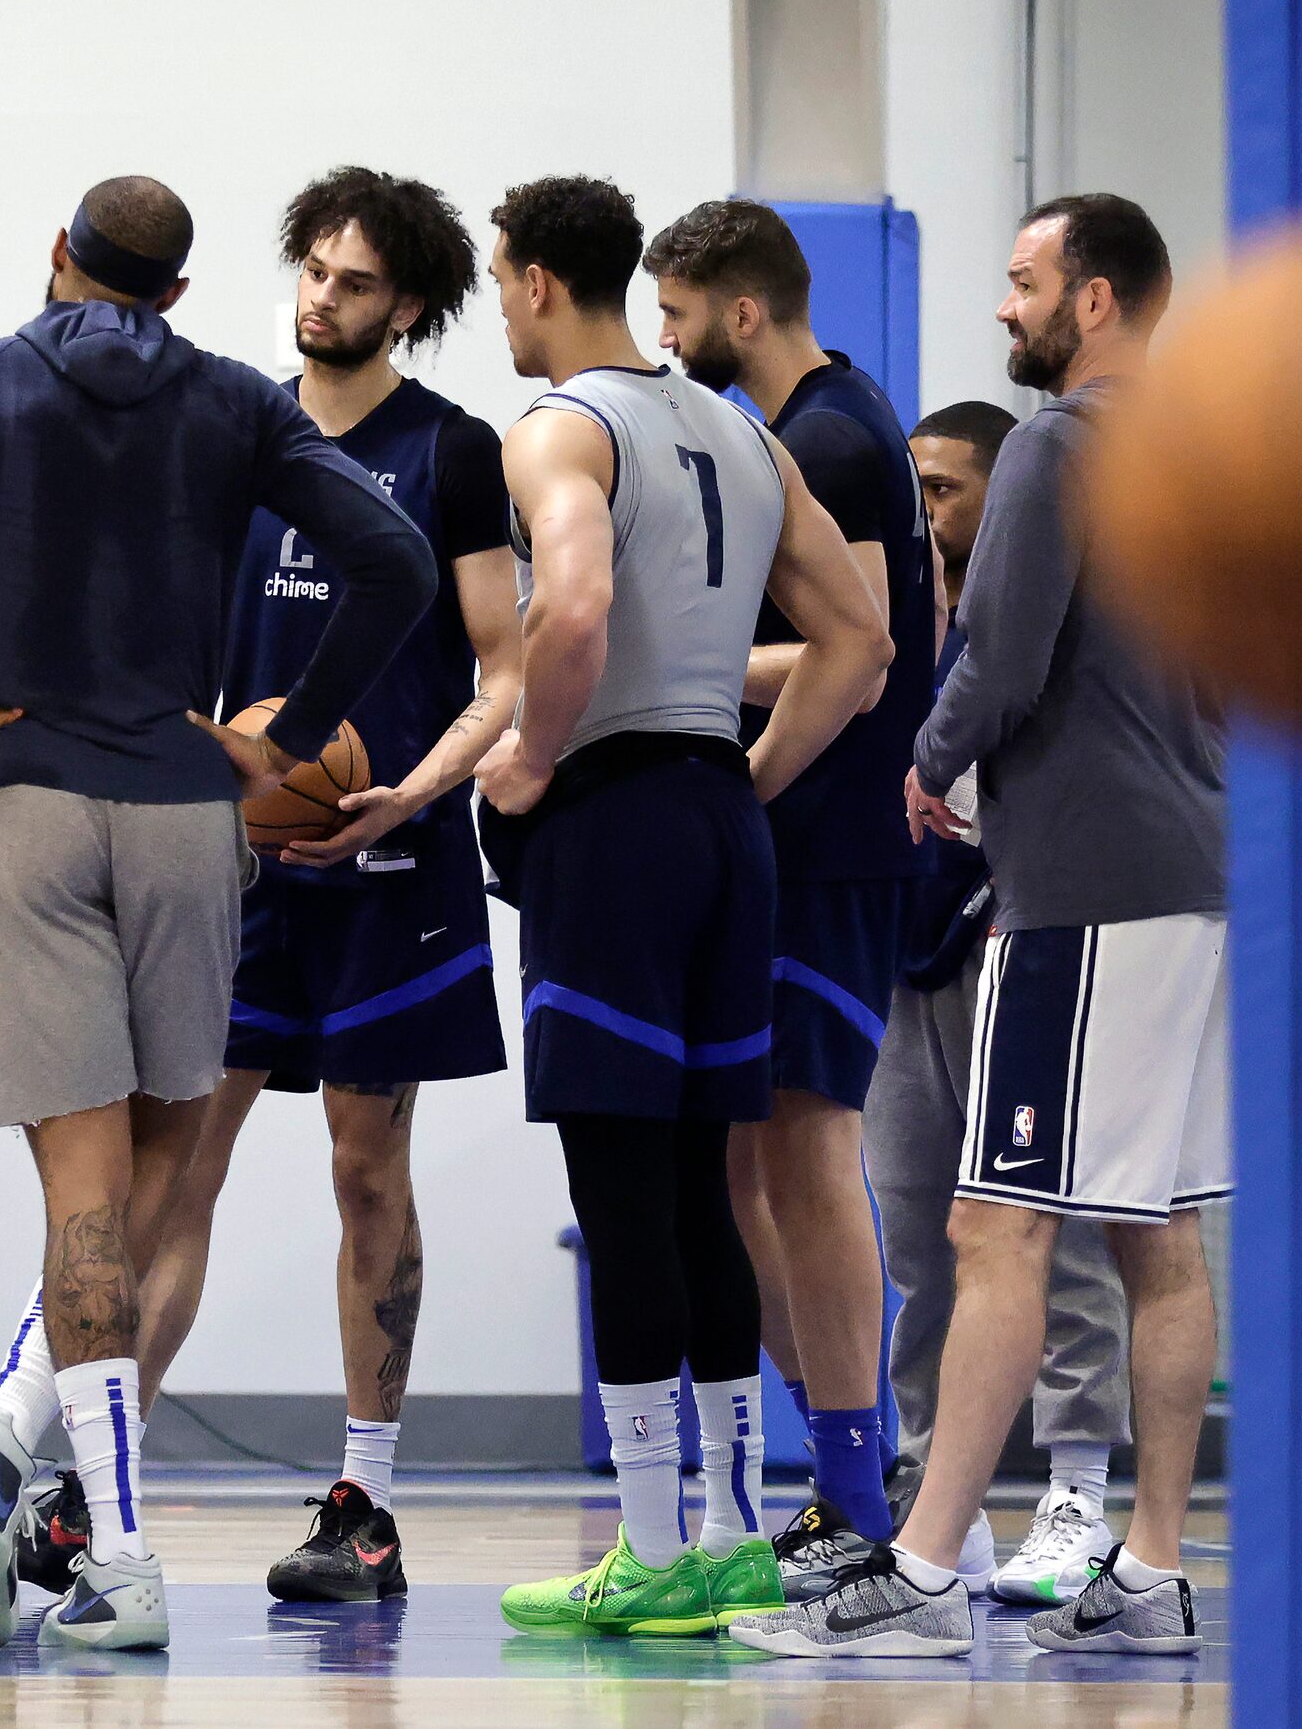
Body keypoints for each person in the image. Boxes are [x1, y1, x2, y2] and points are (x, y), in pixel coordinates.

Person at [0, 176, 437, 1654]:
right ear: (179, 295)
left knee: (81, 1195)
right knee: (155, 1171)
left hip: (28, 800)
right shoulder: (234, 404)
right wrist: (288, 731)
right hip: (187, 808)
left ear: (57, 259)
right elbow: (391, 560)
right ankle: (18, 1447)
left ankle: (108, 1549)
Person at [733, 194, 1228, 1660]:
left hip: (1082, 884)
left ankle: (926, 1568)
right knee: (1156, 1237)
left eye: (1020, 283)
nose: (1002, 310)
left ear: (1090, 299)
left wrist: (922, 757)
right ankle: (1143, 1568)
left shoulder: (1060, 448)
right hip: (1190, 872)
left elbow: (996, 651)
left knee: (987, 1223)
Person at [85, 166, 519, 1604]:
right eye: (311, 271)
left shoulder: (452, 452)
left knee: (361, 1164)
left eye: (351, 282)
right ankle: (97, 1487)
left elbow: (504, 660)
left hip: (393, 852)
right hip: (244, 862)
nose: (319, 297)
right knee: (174, 1162)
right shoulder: (231, 437)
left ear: (406, 305)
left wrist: (419, 781)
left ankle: (365, 1502)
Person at [473, 176, 893, 1638]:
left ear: (529, 282)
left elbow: (570, 608)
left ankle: (647, 1545)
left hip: (616, 819)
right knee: (708, 1180)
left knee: (620, 1188)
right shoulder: (744, 428)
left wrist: (528, 762)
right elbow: (865, 639)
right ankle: (718, 1532)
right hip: (721, 815)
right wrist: (752, 778)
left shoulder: (556, 427)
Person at [643, 199, 935, 1585]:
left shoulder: (823, 432)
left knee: (809, 1158)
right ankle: (847, 1459)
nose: (662, 336)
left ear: (739, 311)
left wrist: (727, 737)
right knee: (747, 1166)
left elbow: (857, 644)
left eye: (676, 313)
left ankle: (856, 1496)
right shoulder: (813, 427)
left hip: (829, 845)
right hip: (804, 843)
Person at [866, 399, 1136, 1608]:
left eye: (946, 491)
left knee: (1047, 1226)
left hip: (1017, 928)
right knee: (921, 1233)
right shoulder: (881, 612)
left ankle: (1078, 1487)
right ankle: (941, 1499)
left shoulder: (1039, 607)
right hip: (897, 947)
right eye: (912, 490)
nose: (927, 513)